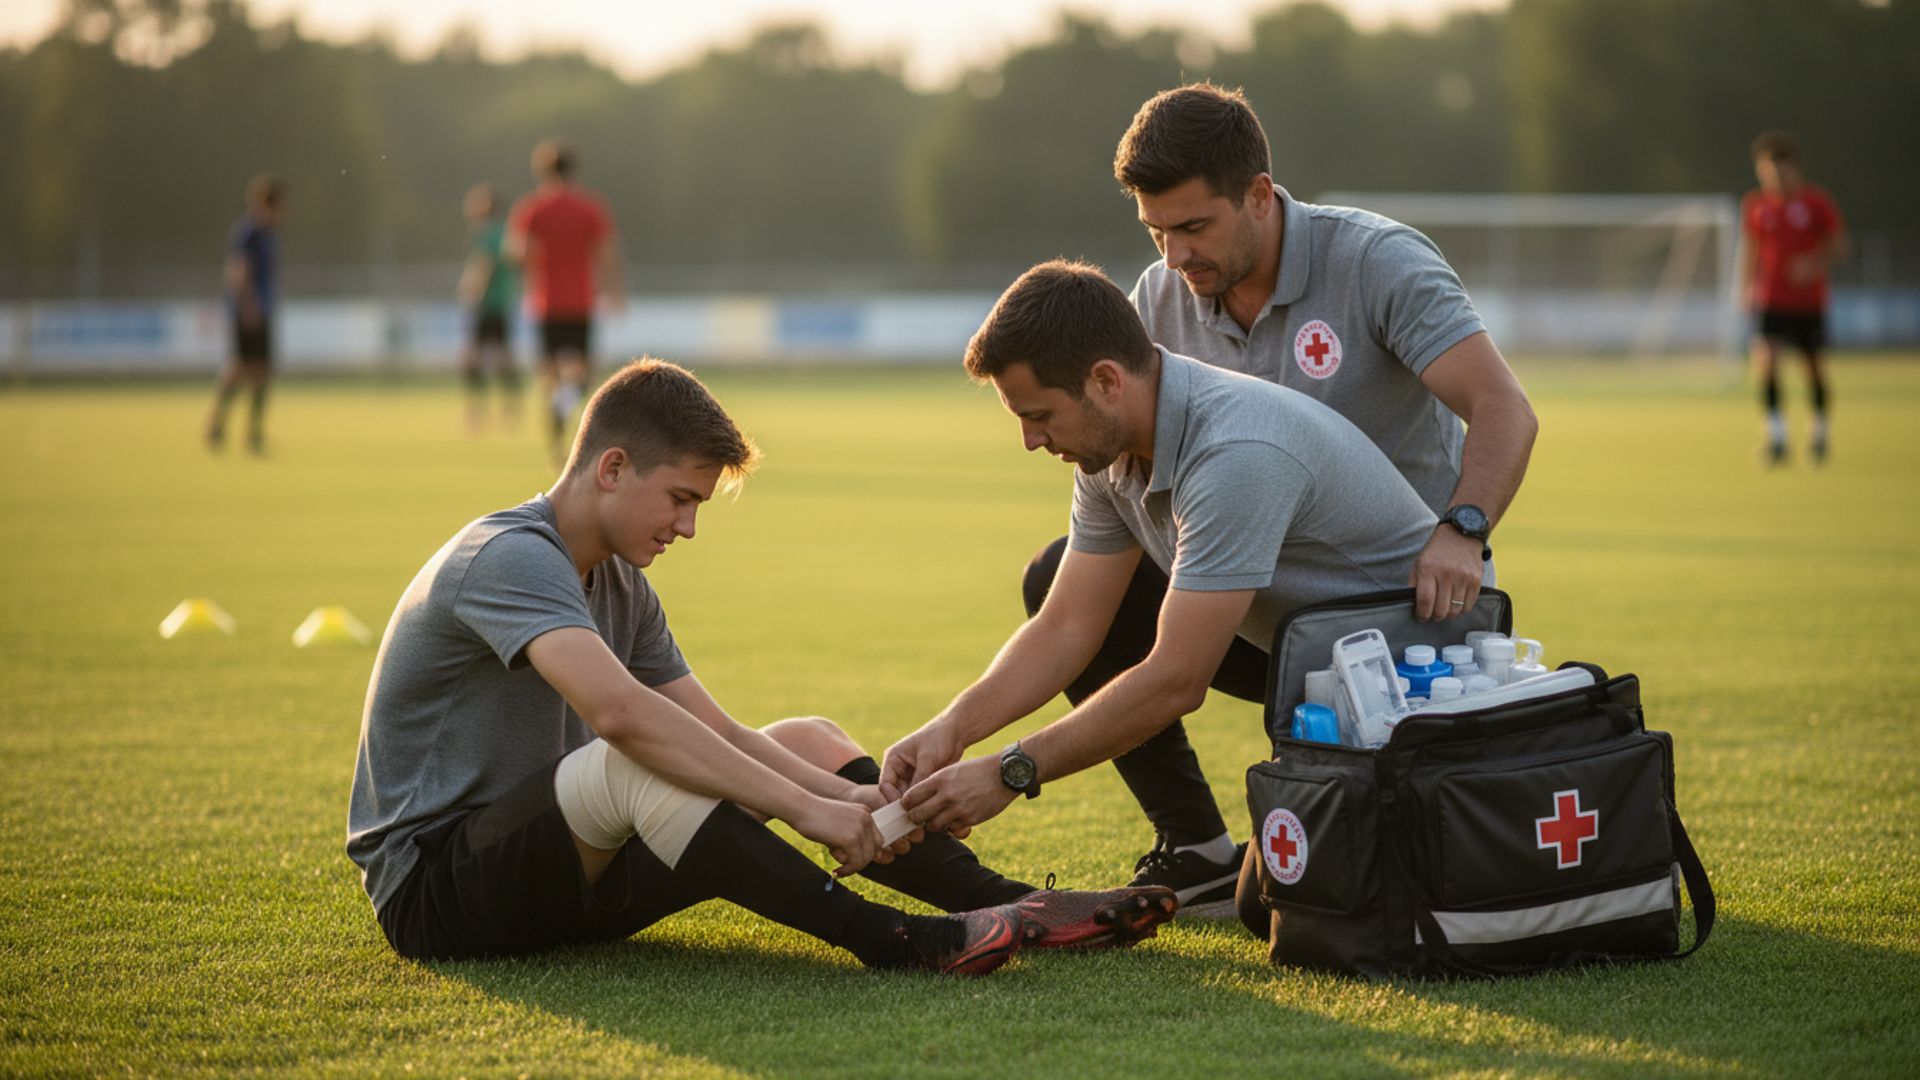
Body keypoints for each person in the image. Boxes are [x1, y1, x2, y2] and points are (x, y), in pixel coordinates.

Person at [346, 357, 1174, 973]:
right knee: (633, 760)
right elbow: (624, 718)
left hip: (564, 870)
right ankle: (891, 940)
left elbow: (718, 730)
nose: (688, 527)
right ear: (611, 468)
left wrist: (845, 792)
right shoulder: (506, 557)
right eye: (681, 498)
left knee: (807, 738)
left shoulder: (621, 582)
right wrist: (802, 811)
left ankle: (1006, 900)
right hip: (438, 895)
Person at [991, 83, 1538, 912]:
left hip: (1398, 608)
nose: (1173, 256)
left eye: (1193, 227)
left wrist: (1462, 529)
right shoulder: (1158, 297)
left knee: (1297, 901)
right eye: (1155, 231)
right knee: (1060, 578)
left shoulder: (1376, 262)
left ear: (1258, 195)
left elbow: (1506, 409)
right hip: (1252, 600)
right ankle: (1197, 847)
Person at [880, 261, 1452, 916]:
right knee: (1055, 574)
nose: (1030, 440)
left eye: (1039, 415)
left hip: (1407, 673)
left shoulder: (1235, 450)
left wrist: (1012, 770)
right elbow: (1069, 625)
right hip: (1305, 648)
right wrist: (951, 729)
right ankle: (1199, 848)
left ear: (1105, 381)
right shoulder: (1111, 443)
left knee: (1271, 909)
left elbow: (1178, 677)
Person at [507, 138, 624, 465]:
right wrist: (615, 292)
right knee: (582, 373)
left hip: (546, 302)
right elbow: (606, 254)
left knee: (550, 375)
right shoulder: (590, 207)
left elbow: (520, 253)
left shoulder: (532, 209)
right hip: (581, 302)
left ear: (542, 170)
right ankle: (568, 413)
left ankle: (557, 442)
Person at [1741, 131, 1847, 466]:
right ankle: (1777, 439)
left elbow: (1839, 246)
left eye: (1779, 170)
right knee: (1766, 364)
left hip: (1808, 302)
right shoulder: (1756, 206)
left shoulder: (1816, 203)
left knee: (1813, 369)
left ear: (1794, 169)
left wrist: (1812, 263)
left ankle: (1819, 435)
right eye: (1766, 172)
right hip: (1771, 300)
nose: (1774, 178)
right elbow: (1752, 249)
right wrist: (1746, 287)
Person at [203, 174, 286, 455]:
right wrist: (248, 305)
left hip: (263, 309)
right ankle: (217, 421)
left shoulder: (270, 234)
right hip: (248, 310)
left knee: (262, 371)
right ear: (267, 204)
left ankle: (254, 432)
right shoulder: (248, 232)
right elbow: (239, 270)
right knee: (240, 367)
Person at [457, 183, 522, 432]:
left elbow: (484, 265)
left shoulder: (486, 234)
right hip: (503, 301)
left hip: (487, 304)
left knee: (472, 358)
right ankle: (511, 408)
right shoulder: (506, 231)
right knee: (503, 357)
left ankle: (476, 412)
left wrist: (471, 291)